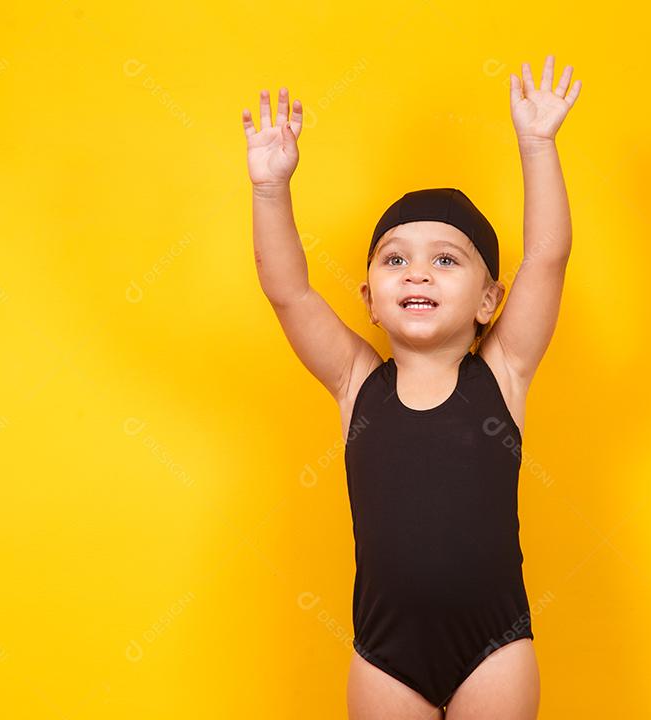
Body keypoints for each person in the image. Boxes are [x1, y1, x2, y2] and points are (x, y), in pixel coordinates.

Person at [243, 54, 581, 720]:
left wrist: (536, 145)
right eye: (395, 259)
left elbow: (547, 255)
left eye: (445, 260)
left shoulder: (503, 372)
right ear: (370, 297)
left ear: (490, 299)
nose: (417, 274)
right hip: (385, 656)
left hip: (494, 648)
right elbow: (287, 291)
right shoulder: (355, 382)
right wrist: (268, 189)